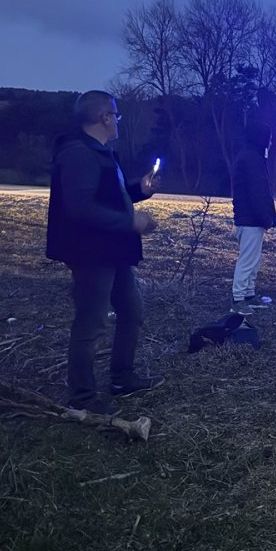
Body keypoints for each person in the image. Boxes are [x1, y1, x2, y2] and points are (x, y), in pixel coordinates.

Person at [46, 90, 163, 416]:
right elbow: (81, 208)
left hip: (111, 249)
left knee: (132, 310)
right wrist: (131, 221)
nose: (118, 120)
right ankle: (82, 398)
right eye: (116, 114)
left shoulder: (100, 152)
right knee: (91, 323)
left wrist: (140, 189)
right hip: (90, 252)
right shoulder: (78, 154)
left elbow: (109, 196)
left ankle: (122, 378)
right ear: (104, 117)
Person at [230, 121, 276, 315]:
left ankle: (248, 294)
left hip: (249, 217)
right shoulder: (252, 159)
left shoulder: (249, 156)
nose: (271, 142)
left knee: (252, 258)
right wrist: (265, 217)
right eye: (269, 138)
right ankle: (239, 297)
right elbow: (257, 192)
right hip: (251, 218)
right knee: (248, 259)